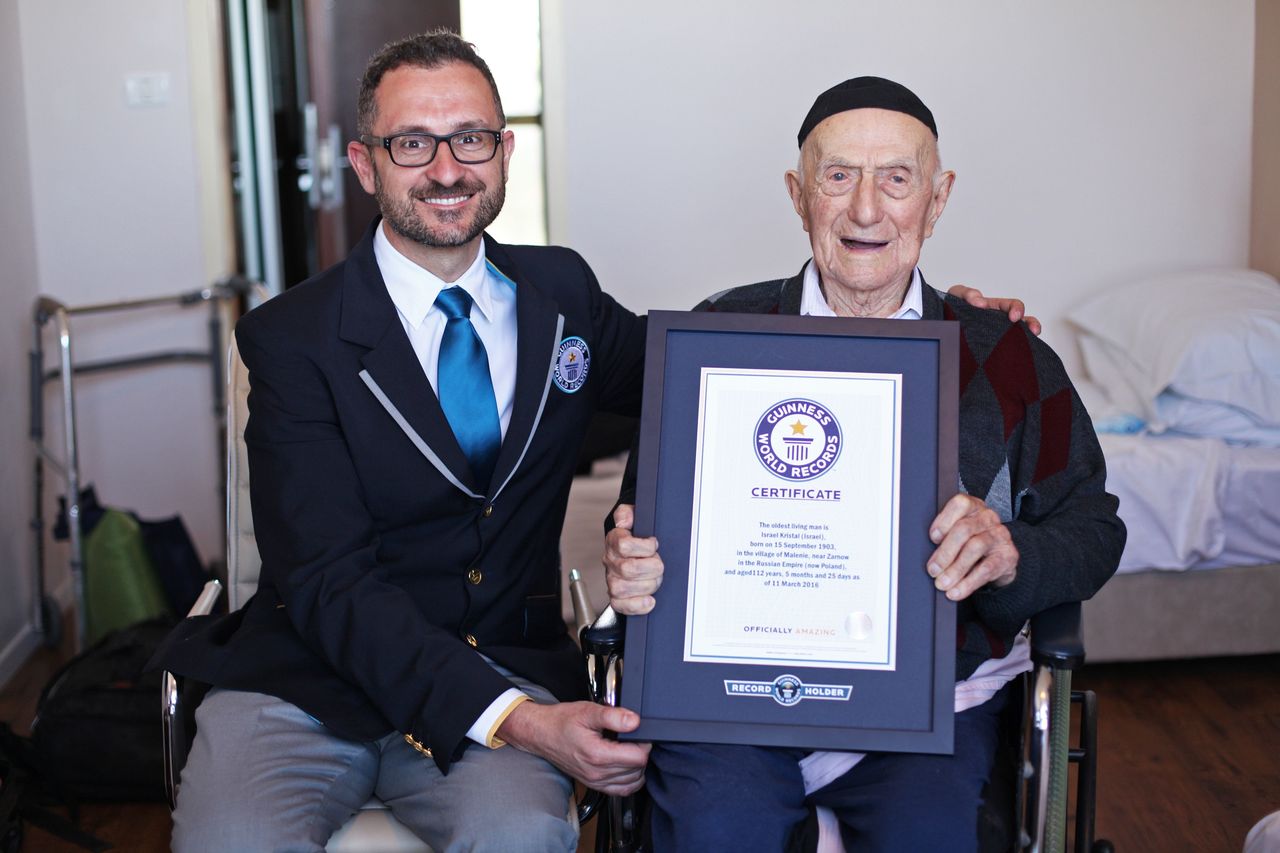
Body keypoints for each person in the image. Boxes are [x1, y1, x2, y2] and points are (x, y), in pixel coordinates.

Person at [152, 32, 1037, 849]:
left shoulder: (561, 293)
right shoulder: (292, 336)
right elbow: (327, 583)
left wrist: (933, 330)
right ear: (364, 163)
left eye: (471, 138)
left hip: (501, 654)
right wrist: (527, 721)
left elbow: (724, 369)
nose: (447, 168)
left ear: (504, 151)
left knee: (527, 835)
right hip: (306, 687)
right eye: (412, 143)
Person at [603, 76, 1127, 852]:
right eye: (838, 176)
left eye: (897, 179)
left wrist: (1014, 553)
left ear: (938, 198)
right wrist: (629, 560)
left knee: (935, 835)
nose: (867, 210)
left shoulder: (1009, 357)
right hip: (735, 705)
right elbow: (638, 527)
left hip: (934, 706)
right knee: (714, 830)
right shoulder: (716, 335)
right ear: (798, 193)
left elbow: (1095, 526)